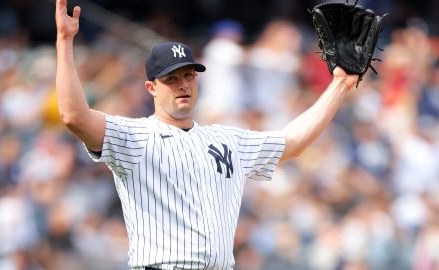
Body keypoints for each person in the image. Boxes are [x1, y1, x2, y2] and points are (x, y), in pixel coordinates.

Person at [55, 0, 359, 269]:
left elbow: (293, 142)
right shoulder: (135, 136)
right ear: (151, 88)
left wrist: (340, 86)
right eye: (171, 79)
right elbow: (73, 116)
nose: (183, 85)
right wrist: (65, 41)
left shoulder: (227, 139)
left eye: (188, 75)